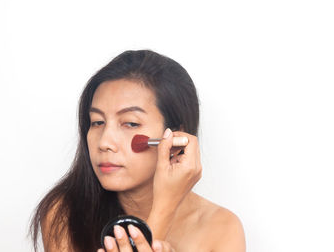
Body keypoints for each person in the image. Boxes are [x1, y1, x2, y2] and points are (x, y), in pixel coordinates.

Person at [29, 50, 246, 252]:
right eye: (97, 122)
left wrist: (164, 205)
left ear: (175, 136)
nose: (105, 142)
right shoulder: (64, 213)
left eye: (131, 124)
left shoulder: (222, 228)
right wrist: (162, 213)